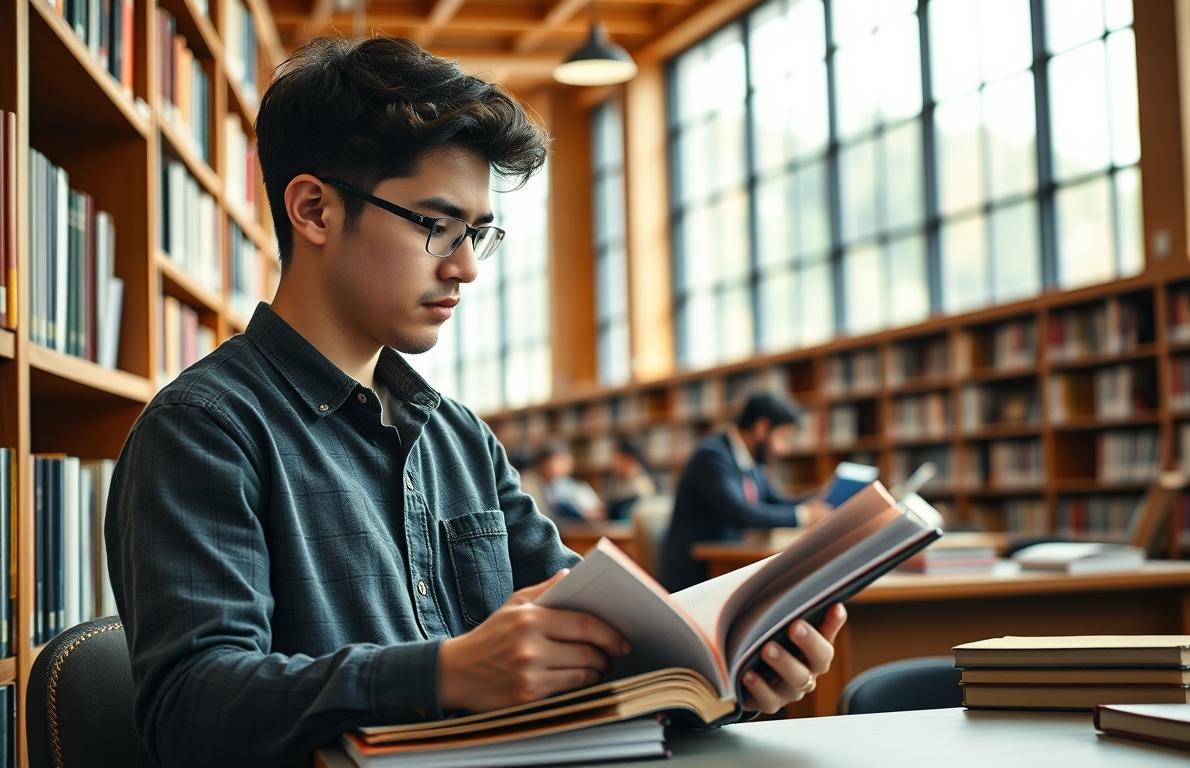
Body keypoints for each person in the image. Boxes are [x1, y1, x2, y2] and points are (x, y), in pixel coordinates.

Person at [103, 36, 843, 767]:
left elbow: (597, 634)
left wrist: (723, 676)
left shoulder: (459, 438)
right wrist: (443, 674)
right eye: (436, 226)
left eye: (477, 234)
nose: (465, 268)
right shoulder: (203, 431)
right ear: (315, 211)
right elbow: (189, 708)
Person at [660, 392, 830, 591]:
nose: (784, 450)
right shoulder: (712, 456)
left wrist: (821, 496)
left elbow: (778, 501)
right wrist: (804, 516)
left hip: (728, 568)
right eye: (783, 438)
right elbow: (740, 513)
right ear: (762, 428)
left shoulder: (751, 461)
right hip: (696, 579)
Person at [535, 440, 605, 522]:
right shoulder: (534, 487)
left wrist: (588, 515)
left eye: (561, 461)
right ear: (542, 464)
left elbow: (599, 513)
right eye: (554, 462)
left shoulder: (580, 488)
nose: (556, 466)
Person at [605, 436, 658, 521]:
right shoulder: (618, 481)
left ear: (629, 459)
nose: (612, 463)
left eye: (616, 458)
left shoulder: (642, 485)